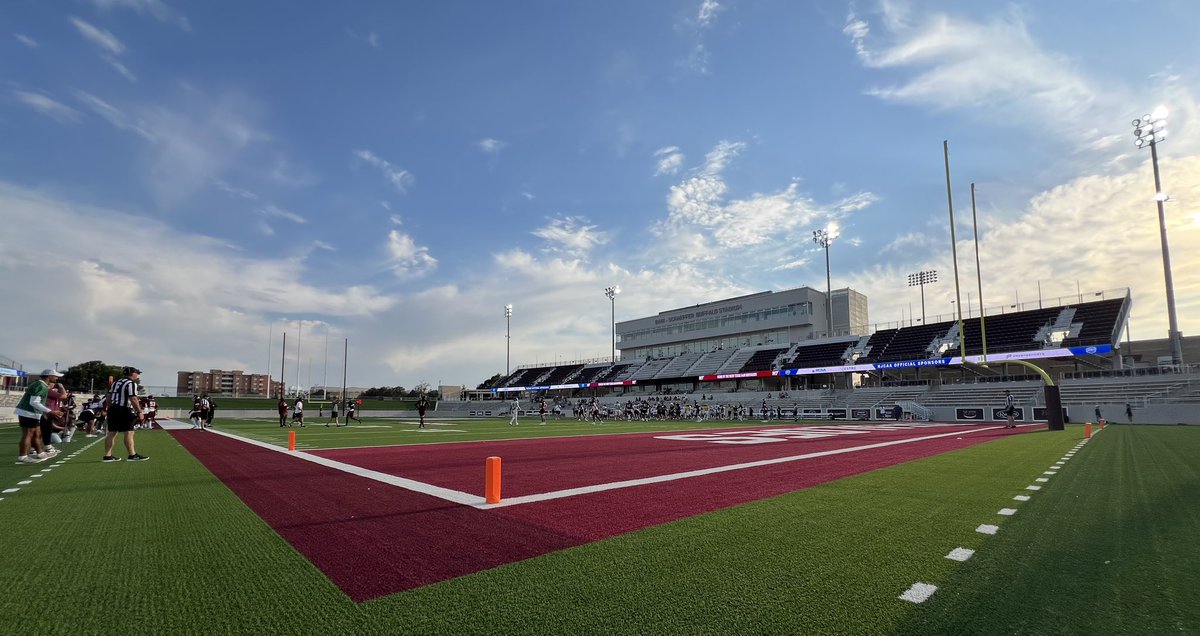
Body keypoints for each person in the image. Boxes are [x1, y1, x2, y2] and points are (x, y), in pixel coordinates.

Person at [14, 368, 64, 464]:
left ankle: (40, 453)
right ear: (49, 376)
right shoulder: (41, 385)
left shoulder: (40, 385)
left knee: (37, 433)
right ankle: (23, 457)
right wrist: (50, 411)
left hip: (31, 412)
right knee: (28, 434)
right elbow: (34, 402)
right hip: (29, 412)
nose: (57, 378)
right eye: (55, 376)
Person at [103, 367, 147, 462]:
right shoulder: (131, 383)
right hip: (124, 409)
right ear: (132, 374)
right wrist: (139, 411)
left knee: (111, 432)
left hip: (113, 409)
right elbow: (133, 398)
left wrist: (111, 406)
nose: (138, 375)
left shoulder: (115, 383)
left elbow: (108, 397)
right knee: (129, 432)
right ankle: (132, 455)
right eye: (137, 373)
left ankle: (107, 456)